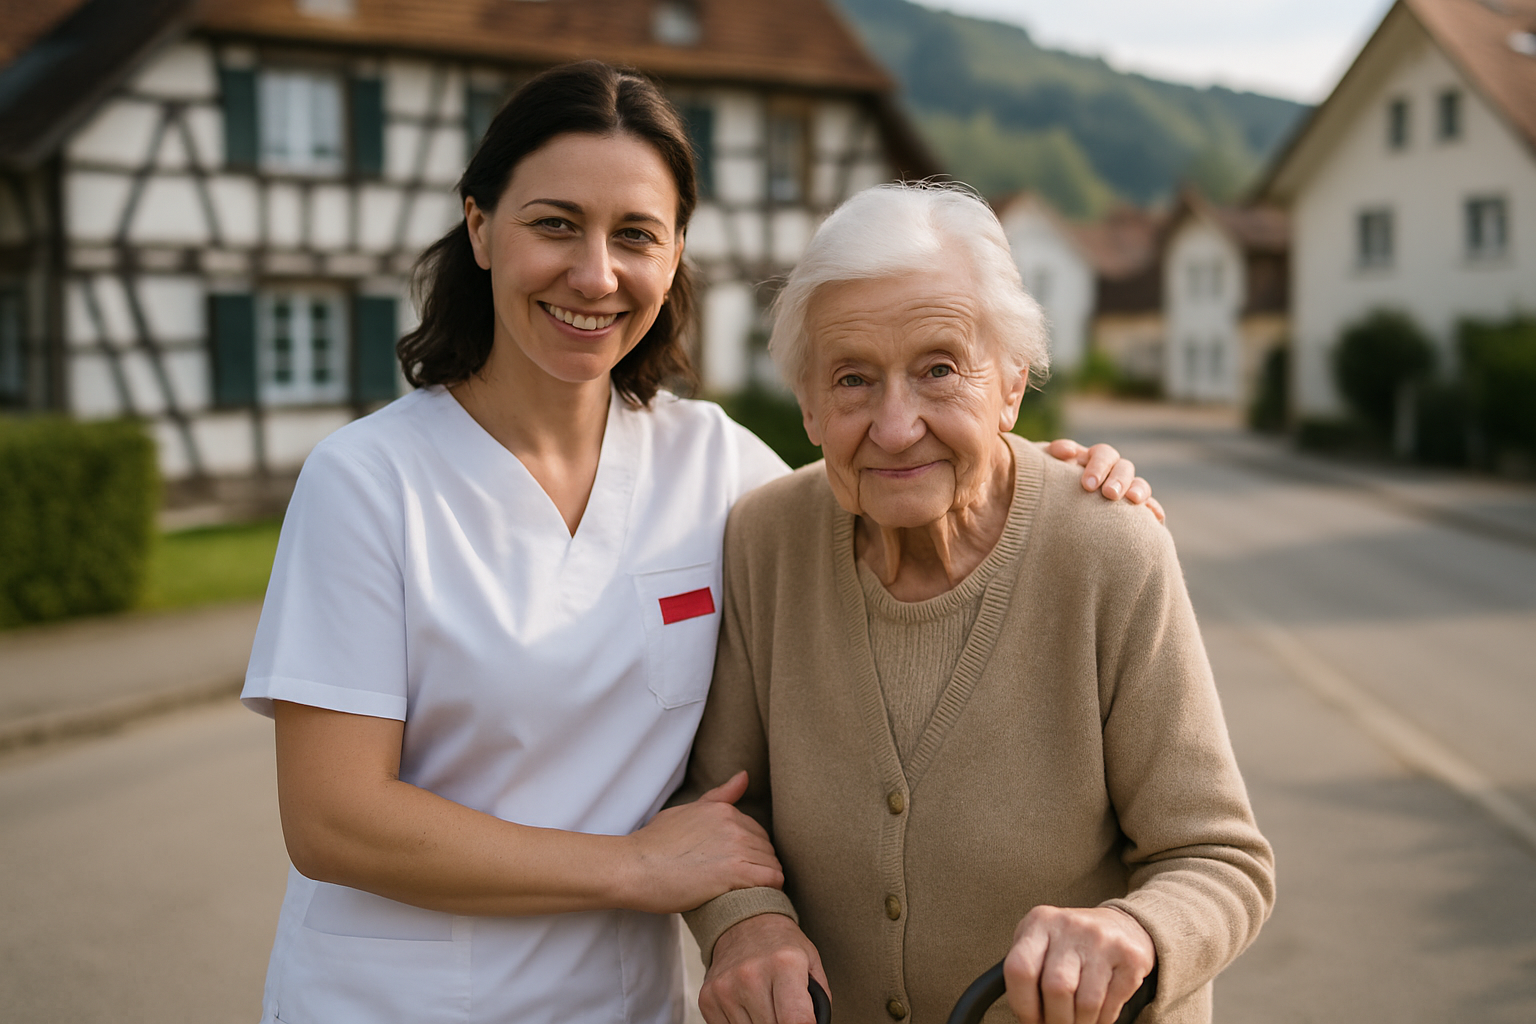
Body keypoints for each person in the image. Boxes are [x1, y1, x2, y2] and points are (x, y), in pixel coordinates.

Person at [240, 63, 1159, 1024]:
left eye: (636, 235)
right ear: (479, 229)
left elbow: (888, 477)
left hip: (623, 1004)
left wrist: (1040, 476)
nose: (595, 274)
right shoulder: (367, 481)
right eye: (555, 224)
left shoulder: (715, 464)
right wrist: (636, 865)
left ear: (675, 254)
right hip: (392, 1002)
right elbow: (334, 820)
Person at [678, 184, 1275, 1024]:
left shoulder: (1108, 546)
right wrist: (746, 926)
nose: (894, 426)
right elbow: (721, 805)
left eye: (940, 369)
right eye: (853, 379)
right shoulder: (765, 540)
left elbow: (1221, 859)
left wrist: (1137, 933)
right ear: (808, 404)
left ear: (1013, 383)